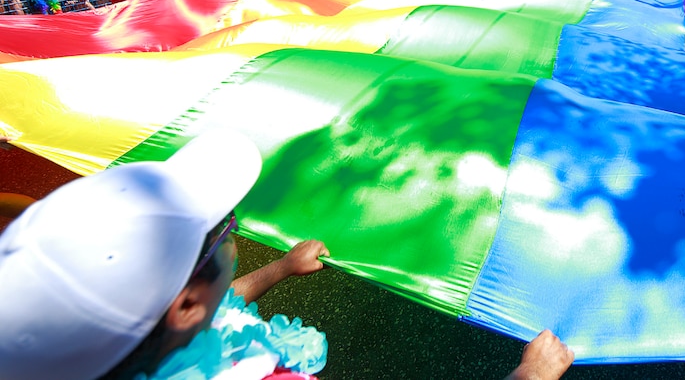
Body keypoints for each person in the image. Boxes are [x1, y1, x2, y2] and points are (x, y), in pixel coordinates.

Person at [0, 132, 574, 380]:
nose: (231, 231)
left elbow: (218, 308)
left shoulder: (129, 348)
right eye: (220, 230)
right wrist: (528, 373)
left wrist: (277, 269)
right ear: (182, 304)